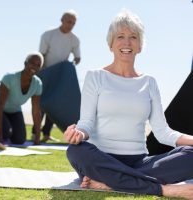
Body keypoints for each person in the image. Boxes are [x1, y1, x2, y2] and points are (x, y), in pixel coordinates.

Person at [64, 10, 193, 199]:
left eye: (133, 37)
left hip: (139, 162)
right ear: (111, 44)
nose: (126, 43)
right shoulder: (95, 77)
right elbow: (86, 123)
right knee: (76, 151)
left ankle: (111, 183)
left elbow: (163, 133)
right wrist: (78, 134)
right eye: (120, 37)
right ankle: (163, 189)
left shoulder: (149, 82)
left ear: (140, 46)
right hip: (102, 158)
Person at [36, 9, 81, 142]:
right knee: (41, 103)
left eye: (73, 23)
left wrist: (72, 64)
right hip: (46, 73)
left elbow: (77, 57)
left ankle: (46, 133)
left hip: (60, 76)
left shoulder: (74, 39)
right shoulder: (48, 35)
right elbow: (41, 55)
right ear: (62, 20)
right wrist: (42, 72)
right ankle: (35, 132)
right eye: (68, 21)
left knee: (55, 104)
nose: (70, 24)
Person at [0, 52, 43, 145]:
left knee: (20, 140)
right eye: (32, 63)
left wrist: (37, 136)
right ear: (25, 63)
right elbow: (0, 105)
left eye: (38, 65)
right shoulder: (9, 78)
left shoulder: (38, 84)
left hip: (15, 112)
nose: (34, 66)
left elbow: (36, 111)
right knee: (4, 132)